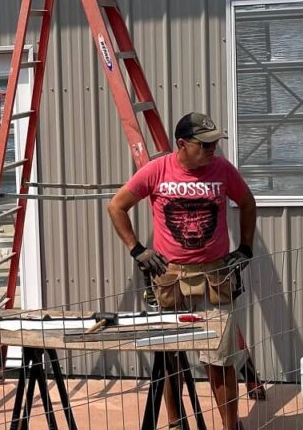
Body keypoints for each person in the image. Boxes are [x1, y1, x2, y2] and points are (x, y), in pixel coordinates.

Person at [106, 112, 257, 430]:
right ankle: (176, 423)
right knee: (170, 357)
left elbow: (247, 201)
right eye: (204, 144)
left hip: (215, 276)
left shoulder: (222, 170)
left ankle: (230, 426)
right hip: (170, 277)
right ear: (182, 144)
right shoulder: (157, 171)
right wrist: (138, 250)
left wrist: (245, 247)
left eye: (214, 143)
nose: (211, 149)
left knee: (220, 360)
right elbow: (116, 206)